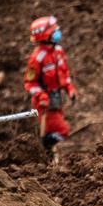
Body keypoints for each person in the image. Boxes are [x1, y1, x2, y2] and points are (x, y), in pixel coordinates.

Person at [24, 16, 78, 156]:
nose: (57, 32)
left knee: (56, 131)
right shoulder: (37, 58)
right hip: (44, 103)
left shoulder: (58, 51)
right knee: (61, 130)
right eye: (54, 30)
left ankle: (50, 153)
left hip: (56, 98)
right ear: (44, 35)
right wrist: (42, 96)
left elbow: (64, 73)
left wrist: (70, 89)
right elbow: (30, 83)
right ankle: (45, 151)